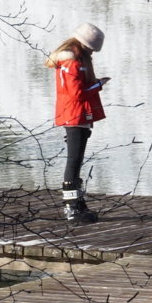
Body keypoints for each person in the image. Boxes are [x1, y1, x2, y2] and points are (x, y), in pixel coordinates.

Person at [45, 22, 109, 224]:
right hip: (74, 114)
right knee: (73, 160)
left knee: (77, 159)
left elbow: (78, 88)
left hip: (77, 113)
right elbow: (76, 92)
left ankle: (78, 204)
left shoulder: (76, 58)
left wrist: (95, 83)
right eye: (91, 48)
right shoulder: (72, 61)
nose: (92, 52)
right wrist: (98, 85)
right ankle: (72, 209)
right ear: (85, 44)